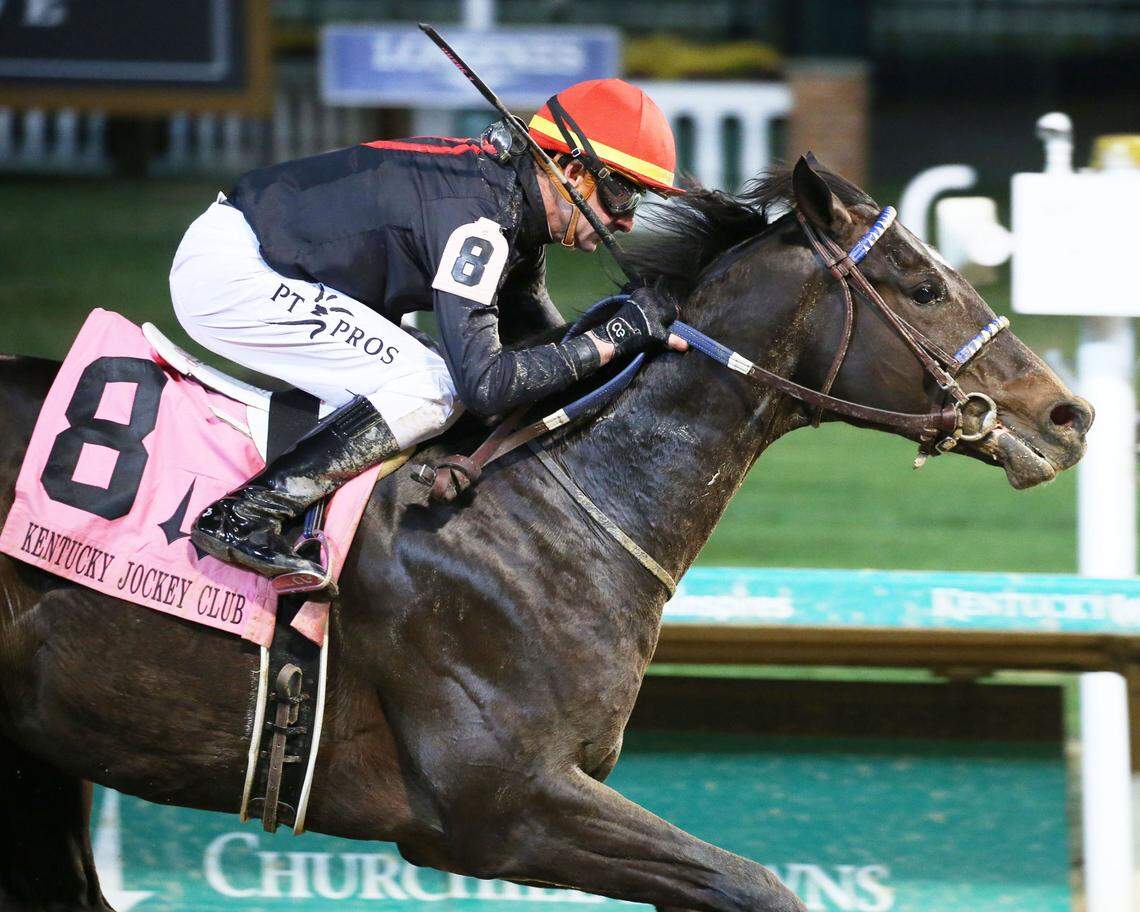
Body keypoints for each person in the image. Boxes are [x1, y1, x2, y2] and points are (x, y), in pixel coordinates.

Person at [168, 78, 689, 585]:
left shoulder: (511, 199)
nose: (626, 221)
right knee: (432, 385)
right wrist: (615, 335)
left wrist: (630, 343)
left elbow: (538, 338)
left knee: (432, 371)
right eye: (622, 194)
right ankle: (242, 516)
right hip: (237, 273)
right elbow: (486, 385)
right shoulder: (481, 220)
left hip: (271, 257)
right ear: (572, 171)